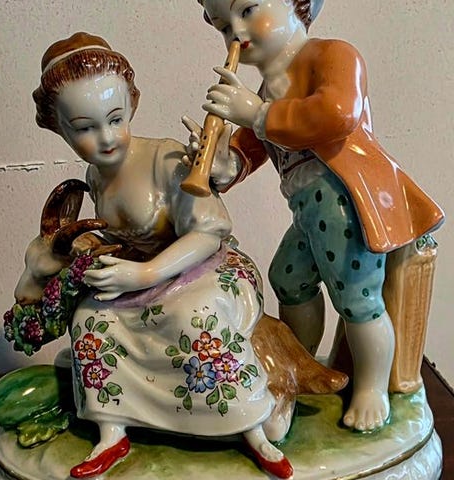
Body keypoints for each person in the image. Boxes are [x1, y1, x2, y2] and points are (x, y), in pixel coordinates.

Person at [30, 32, 296, 479]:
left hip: (203, 268)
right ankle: (112, 431)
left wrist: (145, 273)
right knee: (91, 320)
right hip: (144, 279)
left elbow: (209, 231)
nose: (106, 138)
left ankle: (253, 427)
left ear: (131, 105)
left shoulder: (165, 158)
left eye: (115, 119)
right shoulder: (95, 177)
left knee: (197, 318)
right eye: (85, 128)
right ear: (59, 127)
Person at [186, 0, 444, 433]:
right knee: (288, 278)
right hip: (308, 209)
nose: (236, 32)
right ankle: (300, 365)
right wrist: (223, 165)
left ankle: (373, 389)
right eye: (222, 25)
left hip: (346, 202)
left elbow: (336, 113)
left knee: (357, 300)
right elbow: (252, 148)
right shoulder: (267, 89)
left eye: (248, 9)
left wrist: (257, 114)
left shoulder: (333, 55)